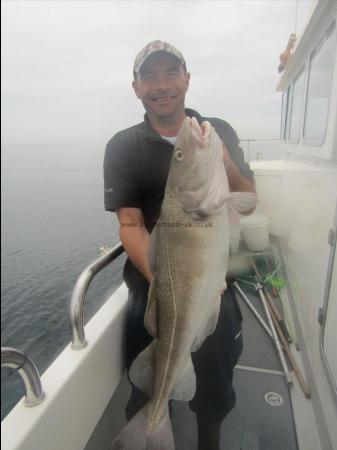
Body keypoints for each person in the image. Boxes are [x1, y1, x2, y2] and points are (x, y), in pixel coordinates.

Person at [104, 40, 256, 450]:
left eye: (171, 72)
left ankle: (210, 441)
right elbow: (130, 222)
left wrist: (221, 161)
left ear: (187, 79)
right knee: (149, 384)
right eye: (149, 76)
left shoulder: (217, 130)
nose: (161, 85)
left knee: (215, 389)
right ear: (136, 87)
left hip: (214, 290)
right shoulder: (124, 146)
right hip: (151, 288)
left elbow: (249, 197)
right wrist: (164, 278)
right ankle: (152, 426)